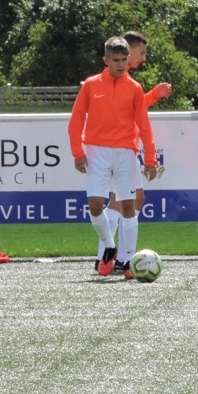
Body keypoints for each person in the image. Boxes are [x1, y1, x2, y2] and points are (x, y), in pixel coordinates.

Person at [69, 36, 158, 278]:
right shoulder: (91, 85)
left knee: (128, 205)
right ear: (105, 60)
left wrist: (150, 159)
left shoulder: (135, 88)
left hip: (125, 152)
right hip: (96, 152)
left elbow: (144, 125)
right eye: (115, 60)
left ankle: (128, 261)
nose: (120, 64)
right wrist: (77, 152)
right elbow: (76, 119)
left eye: (123, 59)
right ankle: (109, 247)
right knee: (95, 206)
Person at [97, 30, 171, 269]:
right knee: (126, 200)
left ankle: (109, 257)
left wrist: (154, 95)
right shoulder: (119, 79)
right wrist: (156, 94)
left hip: (121, 149)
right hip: (119, 150)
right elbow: (132, 109)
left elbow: (134, 107)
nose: (144, 57)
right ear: (129, 50)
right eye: (142, 52)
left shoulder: (124, 78)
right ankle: (115, 258)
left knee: (123, 201)